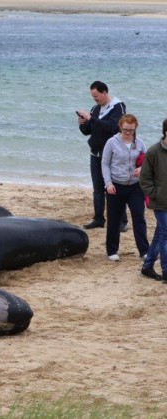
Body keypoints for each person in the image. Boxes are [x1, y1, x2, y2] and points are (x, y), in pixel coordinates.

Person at [78, 81, 128, 232]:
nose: (95, 99)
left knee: (114, 188)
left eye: (96, 96)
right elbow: (88, 131)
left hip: (113, 155)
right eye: (93, 96)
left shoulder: (118, 106)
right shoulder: (95, 108)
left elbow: (112, 128)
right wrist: (82, 123)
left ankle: (122, 221)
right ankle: (99, 219)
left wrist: (92, 119)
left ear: (105, 92)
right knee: (98, 188)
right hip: (96, 153)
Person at [101, 114, 149, 262]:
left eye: (131, 130)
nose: (128, 132)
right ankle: (112, 250)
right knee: (114, 219)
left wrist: (142, 169)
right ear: (120, 126)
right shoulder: (111, 142)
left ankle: (144, 251)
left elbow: (147, 162)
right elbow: (105, 164)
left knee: (139, 217)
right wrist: (108, 183)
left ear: (135, 129)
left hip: (135, 186)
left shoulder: (140, 143)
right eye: (125, 129)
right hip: (116, 186)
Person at [140, 118, 167, 283]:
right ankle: (166, 272)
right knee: (165, 236)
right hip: (161, 202)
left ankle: (147, 266)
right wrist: (156, 194)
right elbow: (144, 179)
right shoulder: (153, 152)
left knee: (160, 235)